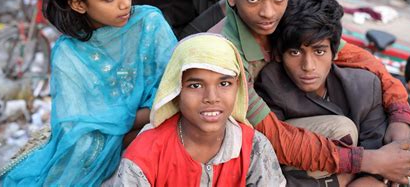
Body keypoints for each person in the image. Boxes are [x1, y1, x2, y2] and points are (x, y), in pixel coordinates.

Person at [214, 0, 410, 185]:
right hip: (236, 148)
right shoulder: (225, 53)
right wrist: (366, 160)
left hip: (281, 132)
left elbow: (368, 64)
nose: (267, 12)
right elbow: (273, 138)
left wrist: (400, 117)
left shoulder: (284, 19)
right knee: (342, 130)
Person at [0, 0, 177, 186]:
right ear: (79, 4)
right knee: (81, 148)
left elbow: (176, 86)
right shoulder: (69, 54)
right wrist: (144, 116)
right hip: (112, 139)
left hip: (161, 125)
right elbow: (78, 125)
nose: (125, 3)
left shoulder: (150, 23)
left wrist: (134, 117)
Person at [110, 34, 286, 186]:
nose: (211, 97)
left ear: (238, 88)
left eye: (224, 84)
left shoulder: (254, 147)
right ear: (176, 91)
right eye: (195, 85)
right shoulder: (145, 153)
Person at [256, 0, 390, 186]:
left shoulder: (365, 87)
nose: (308, 66)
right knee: (343, 129)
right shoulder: (271, 84)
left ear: (334, 53)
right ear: (279, 55)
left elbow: (379, 160)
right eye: (295, 52)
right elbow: (269, 163)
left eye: (319, 51)